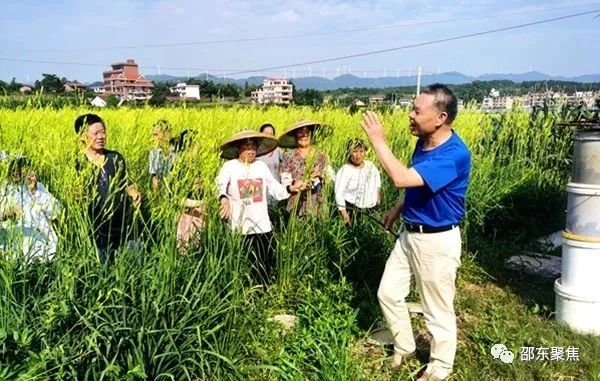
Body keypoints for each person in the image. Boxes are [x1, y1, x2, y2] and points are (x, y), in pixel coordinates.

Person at [361, 84, 471, 381]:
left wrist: (378, 141)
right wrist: (398, 209)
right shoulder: (424, 143)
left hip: (436, 241)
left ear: (440, 117)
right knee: (388, 292)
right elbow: (416, 183)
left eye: (417, 111)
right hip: (409, 234)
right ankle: (405, 346)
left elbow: (400, 177)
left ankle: (439, 368)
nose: (410, 115)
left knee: (437, 308)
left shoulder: (454, 154)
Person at [216, 130, 305, 283]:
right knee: (243, 265)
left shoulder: (260, 166)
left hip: (262, 225)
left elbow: (275, 188)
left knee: (264, 264)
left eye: (253, 147)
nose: (251, 150)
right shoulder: (229, 167)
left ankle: (264, 294)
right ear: (238, 148)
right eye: (246, 146)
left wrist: (290, 189)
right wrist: (223, 199)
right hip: (240, 227)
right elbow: (219, 185)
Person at [74, 113, 142, 264]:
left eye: (103, 132)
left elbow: (127, 183)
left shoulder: (115, 157)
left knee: (132, 263)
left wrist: (134, 192)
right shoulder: (77, 162)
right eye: (95, 133)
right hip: (96, 228)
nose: (101, 136)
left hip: (124, 224)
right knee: (103, 267)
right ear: (82, 136)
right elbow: (75, 195)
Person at [0, 156, 61, 262]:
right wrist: (6, 213)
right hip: (15, 252)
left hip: (45, 250)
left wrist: (36, 192)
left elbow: (56, 212)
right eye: (26, 172)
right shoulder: (5, 190)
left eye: (32, 172)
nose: (31, 176)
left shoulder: (39, 188)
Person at [279, 120, 330, 218]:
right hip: (296, 203)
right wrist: (295, 185)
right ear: (295, 135)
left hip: (318, 202)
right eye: (300, 132)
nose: (304, 135)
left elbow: (331, 178)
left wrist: (322, 175)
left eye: (307, 132)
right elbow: (285, 181)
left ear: (312, 134)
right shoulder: (288, 156)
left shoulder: (321, 155)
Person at [334, 138, 381, 225]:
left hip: (371, 208)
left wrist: (378, 198)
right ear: (349, 153)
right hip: (353, 210)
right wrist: (344, 214)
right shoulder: (344, 171)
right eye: (355, 151)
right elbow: (339, 194)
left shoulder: (370, 166)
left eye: (361, 151)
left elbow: (377, 180)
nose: (358, 155)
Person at [149, 119, 176, 191]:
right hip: (164, 191)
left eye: (156, 134)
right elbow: (154, 179)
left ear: (166, 134)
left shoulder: (177, 150)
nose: (152, 138)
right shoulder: (154, 153)